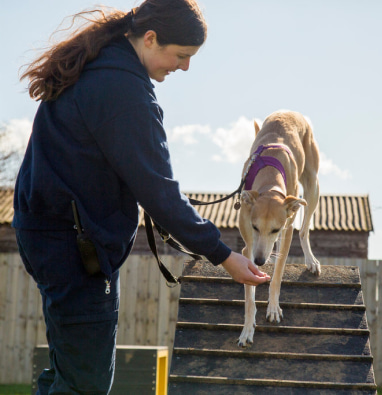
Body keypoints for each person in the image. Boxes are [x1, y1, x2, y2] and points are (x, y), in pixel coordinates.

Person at [14, 0, 270, 393]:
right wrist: (222, 254)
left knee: (67, 371)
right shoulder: (123, 92)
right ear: (150, 39)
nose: (185, 67)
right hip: (74, 250)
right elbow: (160, 193)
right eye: (182, 55)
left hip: (53, 239)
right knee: (86, 383)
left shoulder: (99, 65)